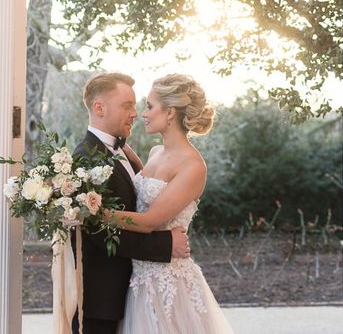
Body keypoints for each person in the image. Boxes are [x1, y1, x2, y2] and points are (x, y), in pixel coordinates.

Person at [108, 73, 234, 334]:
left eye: (149, 106)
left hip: (168, 282)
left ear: (170, 112)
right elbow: (146, 190)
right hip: (139, 277)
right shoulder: (155, 153)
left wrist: (93, 211)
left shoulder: (193, 166)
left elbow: (149, 221)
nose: (143, 113)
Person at [72, 72, 191, 334]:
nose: (135, 113)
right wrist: (166, 243)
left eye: (139, 106)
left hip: (134, 290)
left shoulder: (124, 151)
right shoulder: (85, 160)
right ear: (99, 108)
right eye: (127, 105)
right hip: (103, 300)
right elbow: (98, 234)